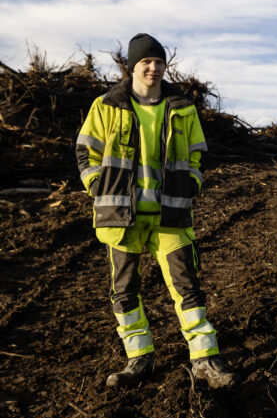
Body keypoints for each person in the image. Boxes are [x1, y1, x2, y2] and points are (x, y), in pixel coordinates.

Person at [76, 33, 239, 389]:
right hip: (122, 217)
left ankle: (205, 360)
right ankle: (139, 359)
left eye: (159, 62)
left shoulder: (182, 107)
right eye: (146, 62)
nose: (153, 68)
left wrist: (192, 184)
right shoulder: (106, 105)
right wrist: (96, 187)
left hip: (170, 215)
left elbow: (198, 152)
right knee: (125, 290)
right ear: (132, 66)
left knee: (187, 287)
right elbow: (85, 151)